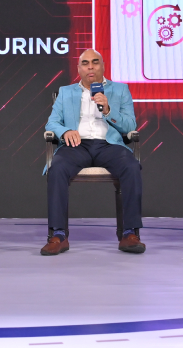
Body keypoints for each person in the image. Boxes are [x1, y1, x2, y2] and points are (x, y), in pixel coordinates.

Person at [42, 49, 145, 255]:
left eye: (95, 62)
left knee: (131, 166)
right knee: (57, 167)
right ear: (78, 69)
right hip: (76, 145)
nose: (90, 66)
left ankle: (129, 233)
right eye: (85, 63)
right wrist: (65, 131)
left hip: (109, 145)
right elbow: (52, 123)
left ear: (103, 66)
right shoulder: (66, 92)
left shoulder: (120, 90)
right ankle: (58, 235)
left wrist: (108, 110)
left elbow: (130, 125)